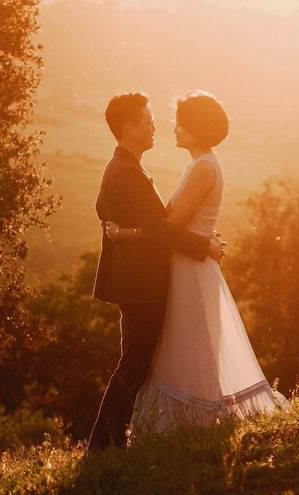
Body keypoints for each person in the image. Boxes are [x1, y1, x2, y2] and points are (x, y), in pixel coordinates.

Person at [104, 91, 287, 435]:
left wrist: (126, 233)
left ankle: (198, 421)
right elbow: (169, 225)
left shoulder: (203, 168)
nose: (173, 129)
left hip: (191, 266)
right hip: (187, 260)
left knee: (193, 344)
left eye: (181, 124)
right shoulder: (198, 165)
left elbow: (167, 227)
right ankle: (189, 423)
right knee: (185, 344)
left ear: (197, 129)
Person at [89, 92, 226, 451]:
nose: (155, 127)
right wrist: (203, 245)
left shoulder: (123, 166)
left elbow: (109, 210)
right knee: (134, 365)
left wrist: (121, 230)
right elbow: (161, 229)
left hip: (137, 281)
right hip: (140, 284)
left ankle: (114, 439)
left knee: (136, 363)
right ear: (128, 128)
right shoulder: (127, 172)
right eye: (147, 121)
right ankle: (103, 444)